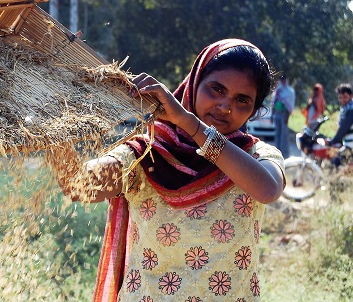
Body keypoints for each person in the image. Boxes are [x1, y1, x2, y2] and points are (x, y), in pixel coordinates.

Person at [47, 39, 285, 301]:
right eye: (216, 89)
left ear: (253, 111)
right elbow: (79, 185)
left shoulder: (256, 156)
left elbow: (267, 189)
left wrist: (187, 121)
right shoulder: (146, 154)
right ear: (195, 84)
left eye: (242, 100)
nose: (225, 106)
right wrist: (53, 128)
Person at [328, 83, 353, 167]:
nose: (342, 100)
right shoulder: (345, 109)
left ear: (351, 96)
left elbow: (343, 129)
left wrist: (332, 141)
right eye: (340, 97)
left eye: (345, 97)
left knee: (333, 164)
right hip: (347, 144)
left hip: (351, 146)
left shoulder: (351, 110)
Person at [271, 74, 295, 158]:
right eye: (281, 80)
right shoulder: (277, 91)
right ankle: (277, 152)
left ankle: (284, 154)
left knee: (283, 135)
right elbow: (273, 103)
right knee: (277, 134)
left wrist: (287, 117)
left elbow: (290, 105)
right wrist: (272, 115)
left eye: (284, 80)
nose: (283, 82)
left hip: (284, 114)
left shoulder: (290, 91)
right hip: (277, 113)